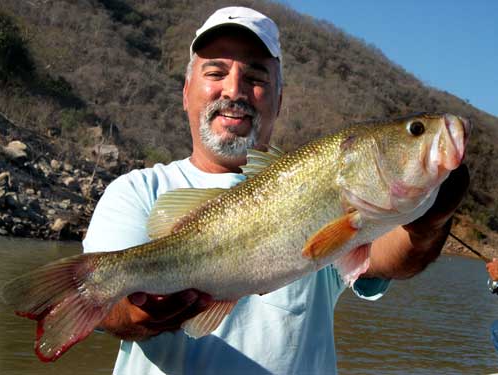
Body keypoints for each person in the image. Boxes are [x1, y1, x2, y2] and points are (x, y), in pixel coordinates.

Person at [83, 6, 469, 374]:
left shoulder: (333, 197)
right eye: (216, 73)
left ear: (279, 100)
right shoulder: (136, 191)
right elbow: (109, 310)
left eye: (255, 79)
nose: (234, 90)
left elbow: (389, 259)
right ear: (186, 92)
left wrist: (430, 223)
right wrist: (139, 314)